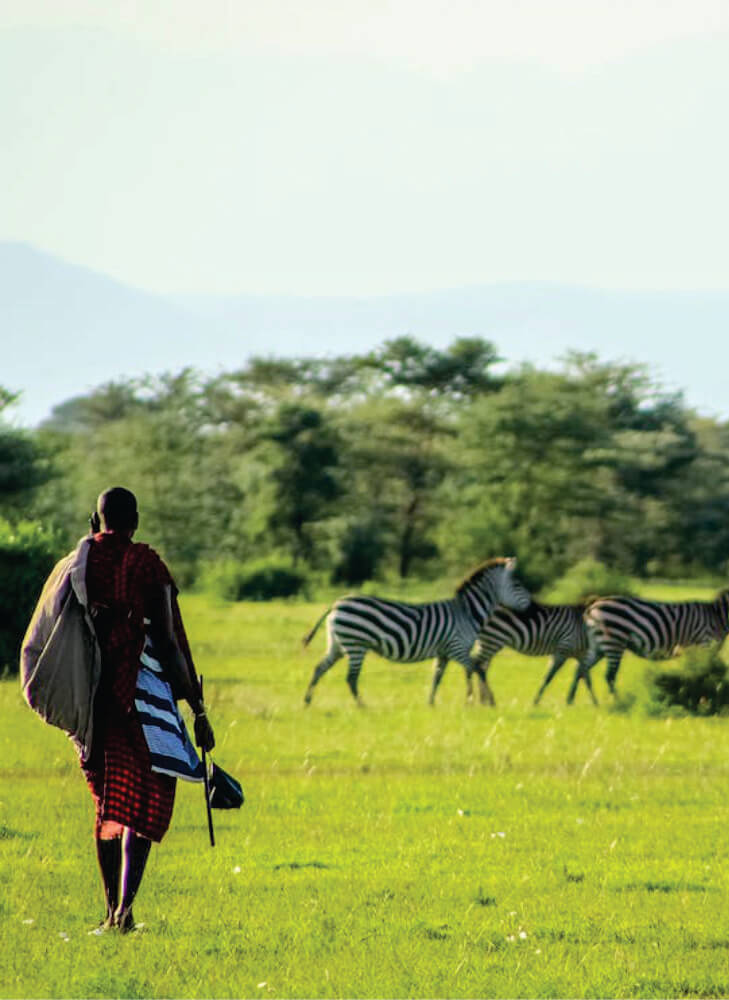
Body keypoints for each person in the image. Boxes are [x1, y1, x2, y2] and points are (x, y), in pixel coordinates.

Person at [80, 486, 215, 933]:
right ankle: (125, 912)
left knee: (108, 802)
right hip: (144, 702)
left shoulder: (79, 565)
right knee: (144, 799)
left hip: (94, 701)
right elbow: (170, 644)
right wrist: (197, 709)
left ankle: (108, 910)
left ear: (96, 520)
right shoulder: (147, 564)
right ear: (135, 520)